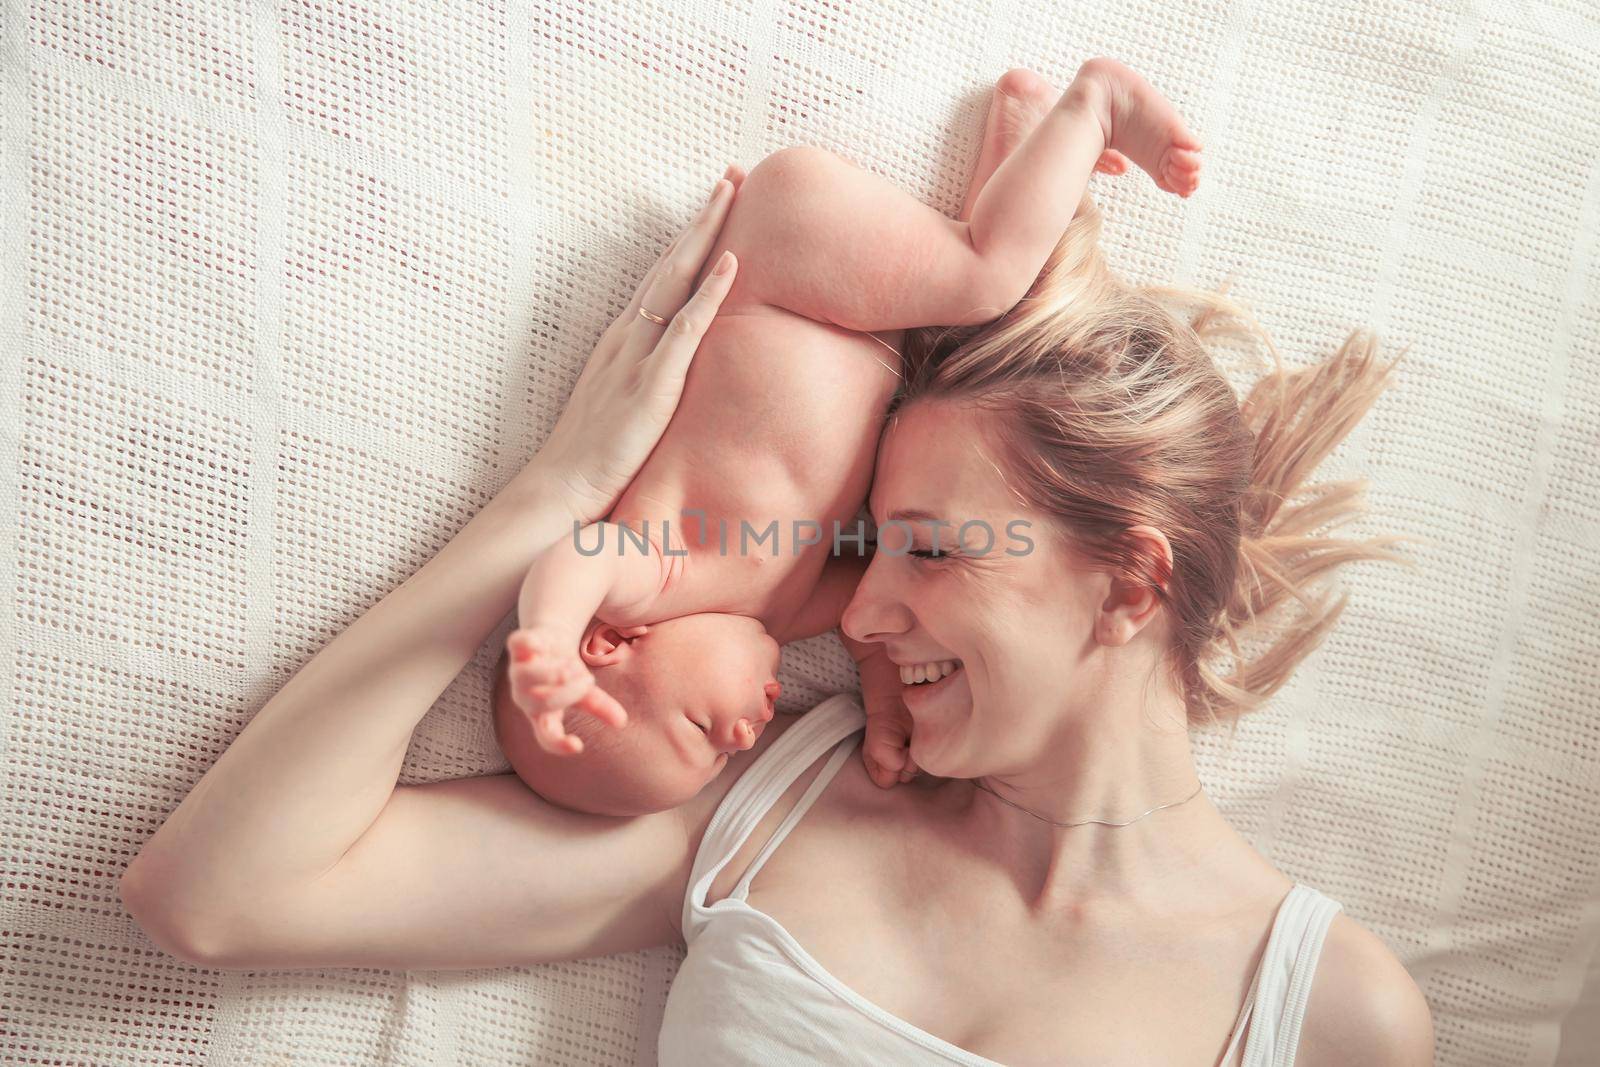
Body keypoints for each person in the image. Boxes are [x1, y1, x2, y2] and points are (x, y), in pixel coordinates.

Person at [120, 62, 1436, 1067]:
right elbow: (220, 891)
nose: (856, 602)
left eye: (927, 545)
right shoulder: (759, 806)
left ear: (1133, 581)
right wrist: (556, 498)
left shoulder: (1337, 1010)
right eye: (871, 541)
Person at [489, 58, 1203, 820]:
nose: (743, 731)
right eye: (727, 755)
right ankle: (1029, 125)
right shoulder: (781, 616)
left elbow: (580, 561)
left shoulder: (662, 571)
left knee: (986, 276)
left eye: (700, 728)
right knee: (995, 330)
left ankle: (1098, 103)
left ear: (611, 645)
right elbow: (875, 611)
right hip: (869, 316)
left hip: (788, 266)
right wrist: (887, 702)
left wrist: (550, 637)